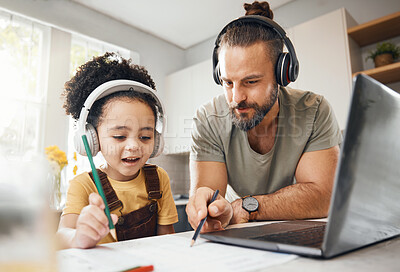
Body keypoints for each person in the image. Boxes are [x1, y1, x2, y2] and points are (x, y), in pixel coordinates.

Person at [186, 1, 342, 232]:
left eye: (251, 82)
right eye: (228, 82)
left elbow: (324, 197)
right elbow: (209, 200)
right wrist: (209, 213)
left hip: (294, 226)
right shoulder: (207, 119)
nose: (236, 98)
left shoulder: (315, 110)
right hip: (237, 227)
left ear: (282, 74)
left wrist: (249, 206)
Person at [56, 52, 178, 249]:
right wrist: (78, 235)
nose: (134, 146)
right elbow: (61, 236)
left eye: (145, 137)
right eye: (120, 136)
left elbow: (168, 241)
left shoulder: (159, 178)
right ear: (92, 138)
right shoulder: (84, 185)